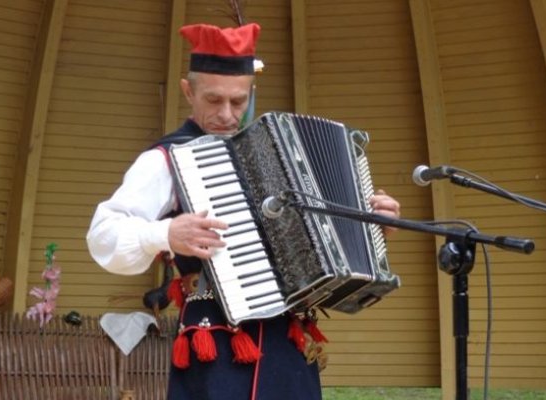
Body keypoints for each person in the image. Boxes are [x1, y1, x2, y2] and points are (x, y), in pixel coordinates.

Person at [87, 22, 401, 400]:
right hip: (219, 348)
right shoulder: (168, 158)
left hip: (287, 348)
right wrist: (165, 235)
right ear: (189, 91)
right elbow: (103, 234)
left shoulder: (277, 150)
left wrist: (367, 227)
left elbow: (321, 255)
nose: (226, 113)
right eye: (213, 100)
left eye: (239, 101)